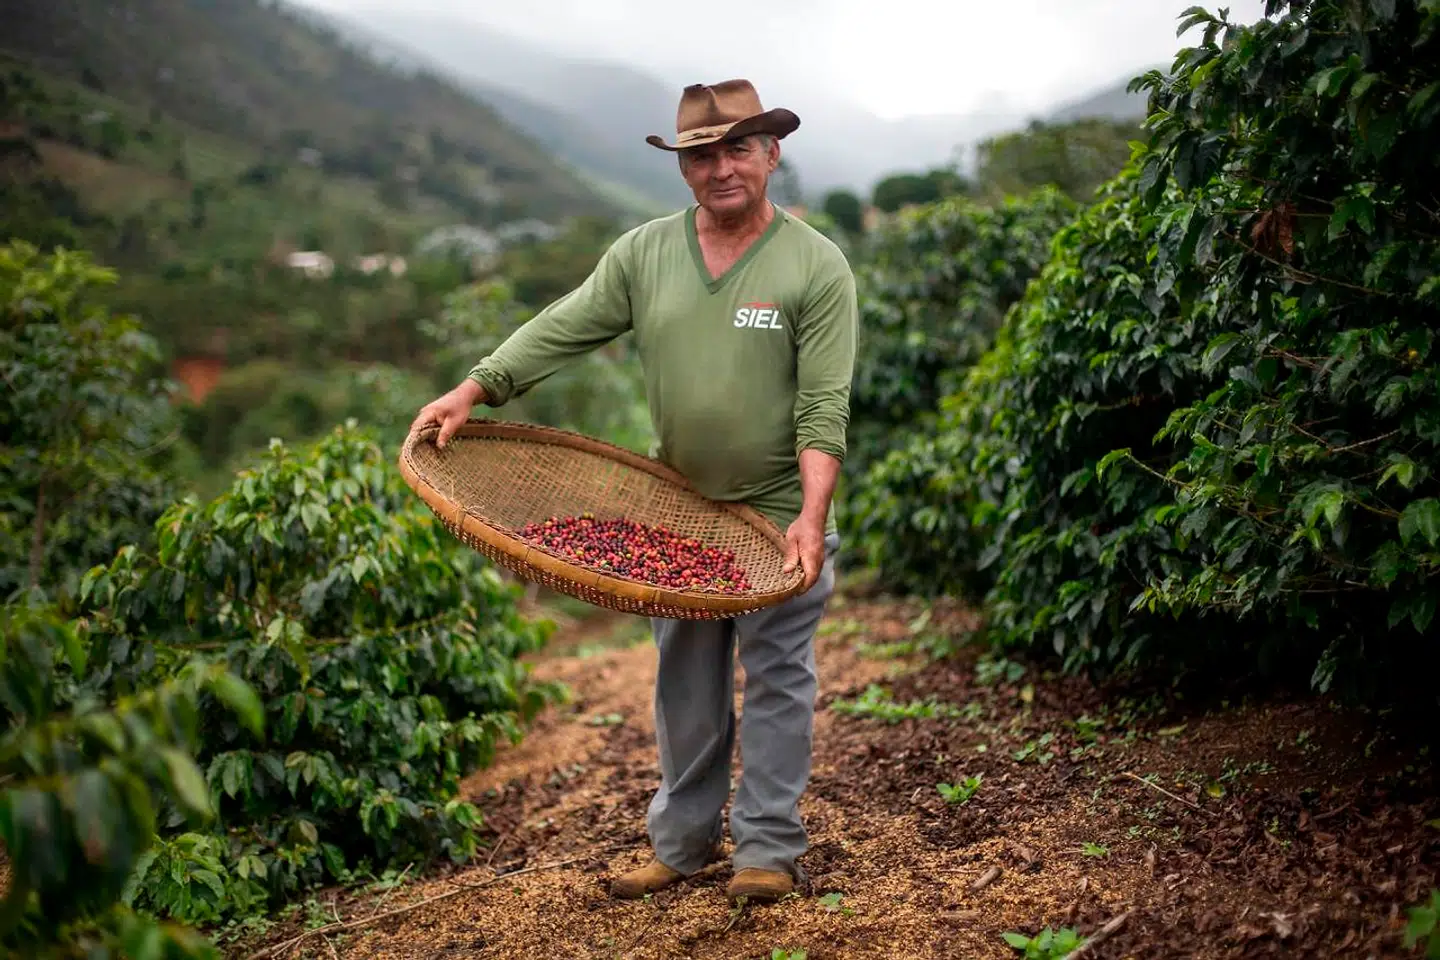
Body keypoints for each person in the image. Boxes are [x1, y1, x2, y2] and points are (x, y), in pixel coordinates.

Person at [409, 78, 858, 904]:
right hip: (679, 510)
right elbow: (564, 323)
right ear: (683, 166)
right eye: (701, 154)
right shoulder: (645, 253)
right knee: (685, 686)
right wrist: (476, 387)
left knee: (779, 677)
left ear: (771, 152)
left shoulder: (815, 266)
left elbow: (824, 405)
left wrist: (809, 515)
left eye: (737, 148)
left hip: (774, 513)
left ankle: (765, 850)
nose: (720, 168)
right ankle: (682, 846)